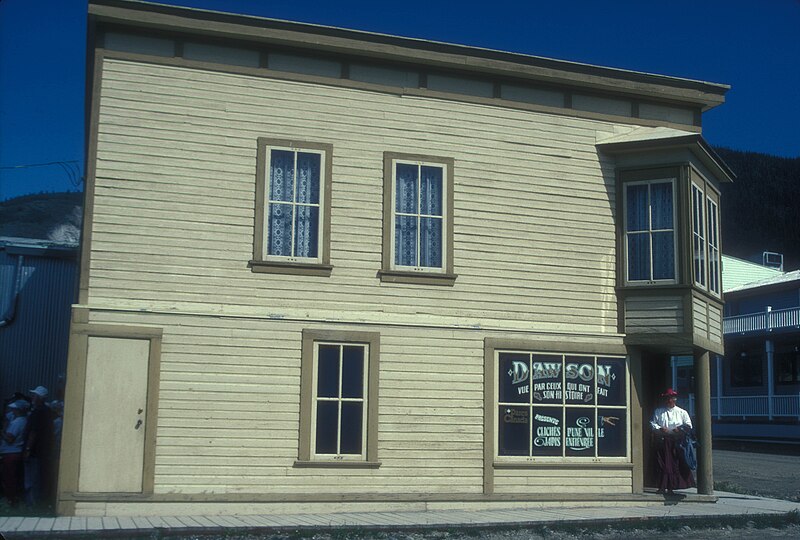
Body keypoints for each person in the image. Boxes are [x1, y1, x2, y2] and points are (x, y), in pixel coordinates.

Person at [650, 388, 695, 494]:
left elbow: (689, 425)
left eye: (670, 398)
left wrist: (679, 429)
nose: (668, 400)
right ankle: (662, 486)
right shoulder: (659, 411)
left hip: (677, 441)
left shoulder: (682, 412)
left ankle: (673, 486)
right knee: (663, 463)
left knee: (675, 464)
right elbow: (652, 423)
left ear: (674, 399)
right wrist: (660, 428)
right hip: (663, 440)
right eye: (666, 398)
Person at [24, 385, 55, 508]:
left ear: (40, 398)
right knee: (38, 476)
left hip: (35, 450)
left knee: (31, 477)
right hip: (43, 450)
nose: (32, 397)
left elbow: (34, 431)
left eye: (35, 395)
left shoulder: (38, 412)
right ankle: (38, 501)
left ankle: (32, 503)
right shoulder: (47, 411)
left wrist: (27, 449)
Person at [1, 400, 30, 506]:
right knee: (13, 477)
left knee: (9, 478)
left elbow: (9, 439)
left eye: (14, 408)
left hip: (11, 452)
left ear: (18, 410)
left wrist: (2, 432)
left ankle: (11, 500)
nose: (12, 410)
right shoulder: (23, 420)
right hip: (15, 452)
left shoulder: (17, 422)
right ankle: (13, 498)